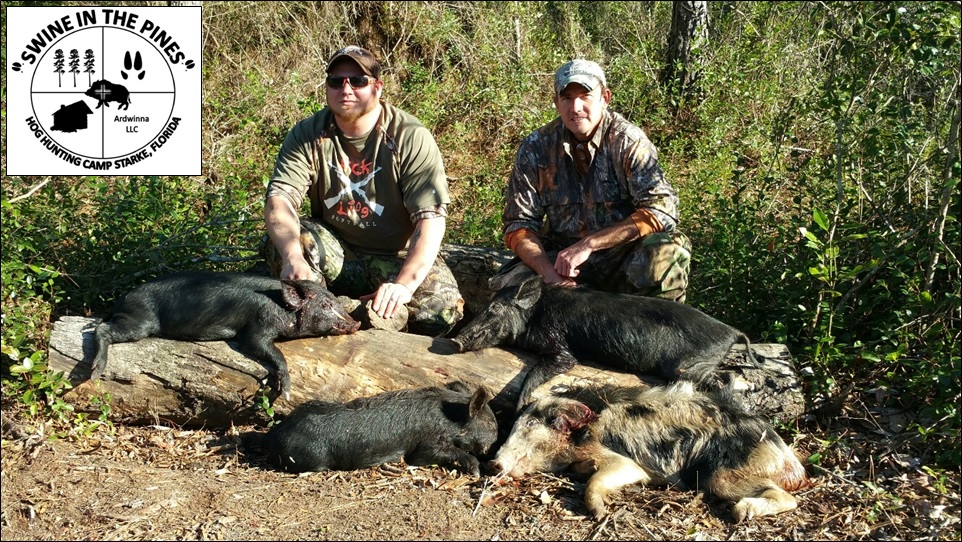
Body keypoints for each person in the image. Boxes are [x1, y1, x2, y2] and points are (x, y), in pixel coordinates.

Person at [261, 45, 464, 337]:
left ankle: (376, 321)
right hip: (338, 251)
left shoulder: (408, 135)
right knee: (290, 243)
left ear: (377, 88)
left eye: (357, 80)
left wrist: (403, 286)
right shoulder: (308, 134)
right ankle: (325, 318)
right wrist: (292, 256)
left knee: (441, 312)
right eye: (336, 81)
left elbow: (430, 220)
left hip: (395, 257)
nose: (346, 89)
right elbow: (280, 200)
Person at [493, 59, 691, 302]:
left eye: (585, 95)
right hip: (562, 262)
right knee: (509, 286)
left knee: (664, 254)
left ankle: (663, 331)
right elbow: (518, 225)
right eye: (566, 98)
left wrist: (590, 244)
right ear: (556, 103)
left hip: (623, 258)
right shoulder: (536, 148)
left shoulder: (628, 141)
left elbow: (662, 210)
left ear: (604, 98)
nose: (575, 107)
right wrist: (548, 272)